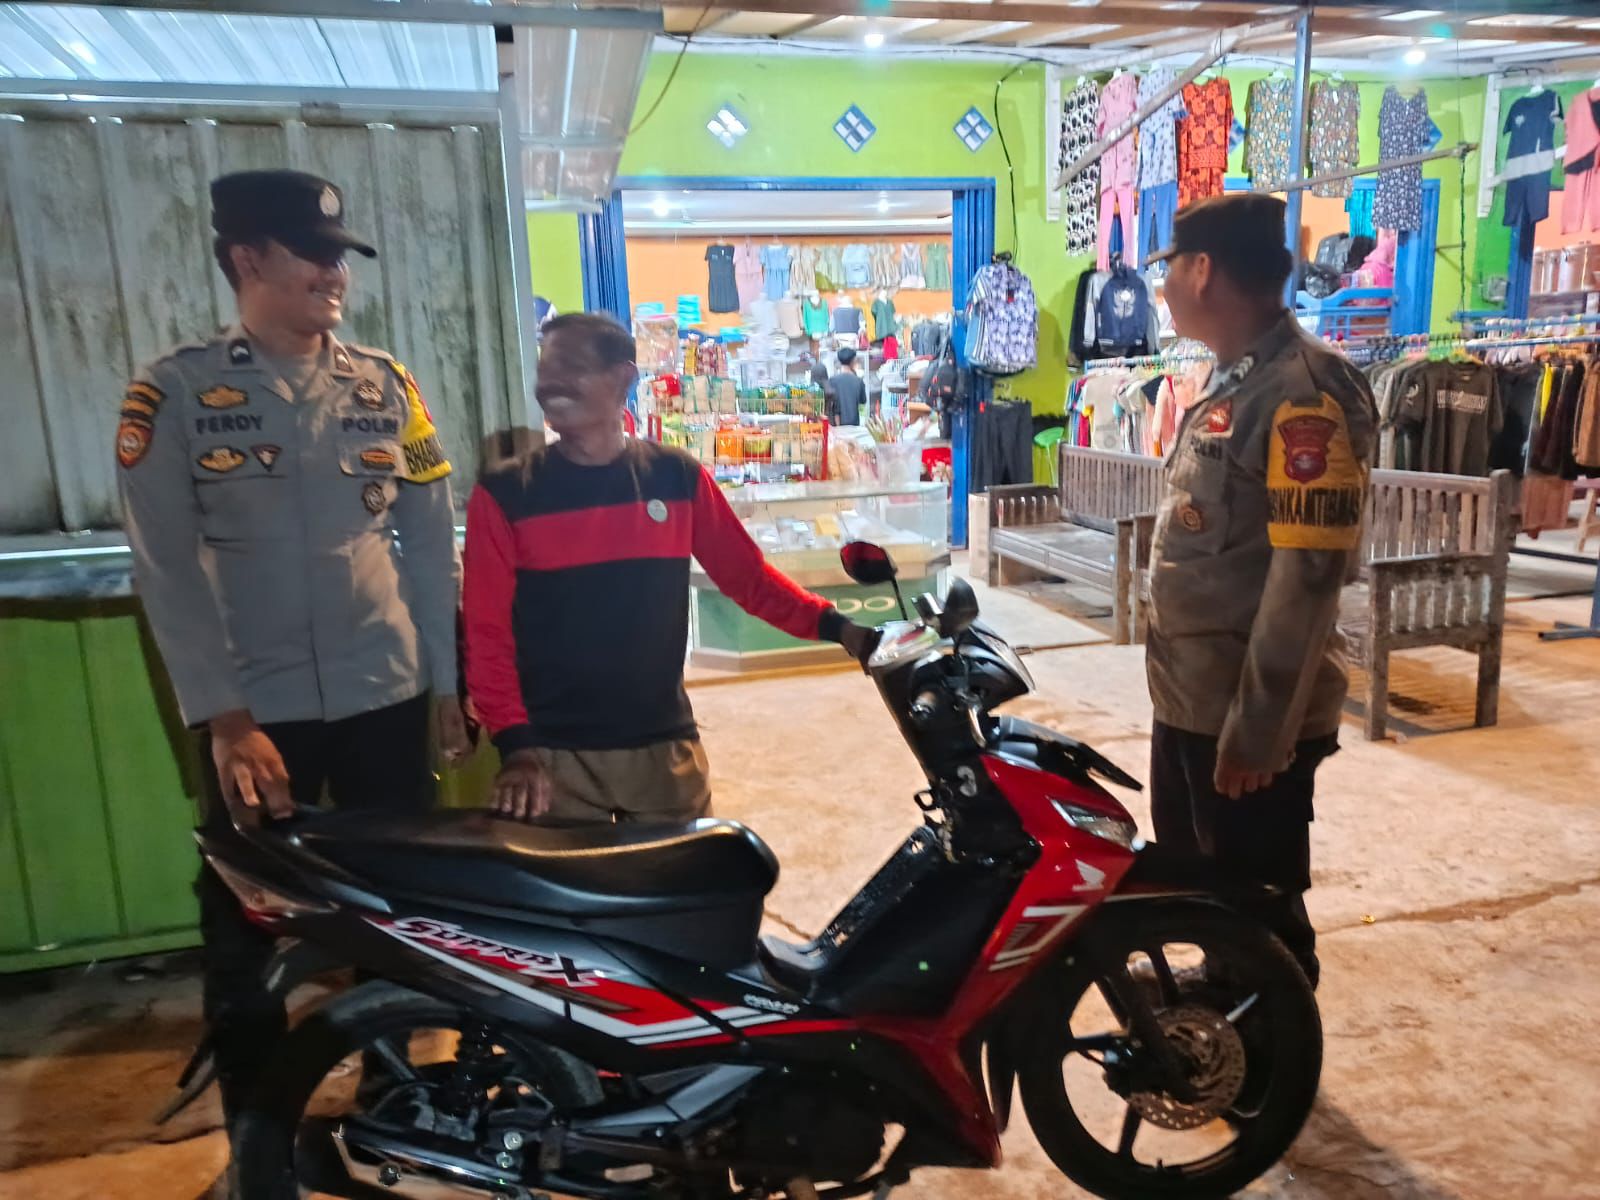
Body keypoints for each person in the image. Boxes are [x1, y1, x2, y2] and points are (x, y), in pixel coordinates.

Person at [116, 169, 470, 1149]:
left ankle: (394, 1111)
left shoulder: (387, 385)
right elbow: (165, 570)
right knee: (246, 929)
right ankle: (259, 1140)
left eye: (338, 257)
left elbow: (428, 542)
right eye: (312, 255)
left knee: (396, 912)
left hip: (385, 692)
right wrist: (225, 719)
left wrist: (448, 681)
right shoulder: (174, 392)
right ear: (247, 259)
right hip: (257, 711)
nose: (333, 273)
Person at [463, 313, 873, 824]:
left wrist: (838, 627)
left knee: (689, 872)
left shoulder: (677, 477)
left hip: (662, 744)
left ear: (623, 378)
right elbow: (486, 632)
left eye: (571, 365)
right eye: (545, 367)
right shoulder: (504, 493)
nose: (550, 382)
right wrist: (515, 746)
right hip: (550, 757)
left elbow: (748, 579)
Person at [1142, 194, 1378, 989]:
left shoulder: (1305, 391)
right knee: (1205, 887)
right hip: (1193, 694)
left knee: (1259, 907)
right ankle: (1225, 1007)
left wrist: (1261, 728)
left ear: (1203, 270)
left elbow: (1308, 576)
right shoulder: (1235, 378)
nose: (1164, 285)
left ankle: (1270, 1043)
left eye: (1170, 266)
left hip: (1243, 713)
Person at [826, 346, 866, 426]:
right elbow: (863, 401)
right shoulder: (858, 381)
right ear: (853, 361)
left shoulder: (832, 380)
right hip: (854, 424)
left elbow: (830, 404)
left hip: (837, 425)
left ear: (839, 361)